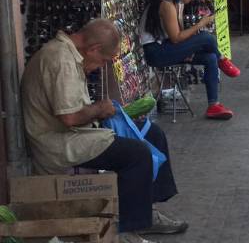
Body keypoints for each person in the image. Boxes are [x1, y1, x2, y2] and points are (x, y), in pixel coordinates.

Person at [21, 19, 187, 243]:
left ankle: (146, 214)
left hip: (77, 133)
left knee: (153, 134)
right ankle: (128, 230)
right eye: (103, 61)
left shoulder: (69, 54)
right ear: (93, 49)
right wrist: (99, 109)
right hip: (59, 143)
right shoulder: (61, 60)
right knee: (137, 154)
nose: (101, 67)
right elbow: (69, 118)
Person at [140, 0, 241, 120]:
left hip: (166, 47)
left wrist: (190, 46)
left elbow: (179, 35)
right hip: (157, 52)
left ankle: (214, 105)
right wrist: (200, 25)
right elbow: (176, 38)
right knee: (206, 38)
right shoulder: (167, 4)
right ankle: (223, 60)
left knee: (209, 58)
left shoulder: (176, 3)